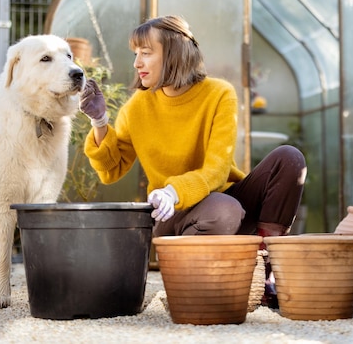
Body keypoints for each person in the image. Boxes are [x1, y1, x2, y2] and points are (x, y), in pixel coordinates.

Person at [79, 15, 307, 307]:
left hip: (218, 198)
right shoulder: (138, 106)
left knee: (289, 159)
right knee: (224, 210)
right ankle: (193, 283)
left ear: (174, 53)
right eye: (135, 54)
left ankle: (263, 272)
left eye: (146, 53)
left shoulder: (218, 93)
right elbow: (111, 170)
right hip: (173, 215)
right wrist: (99, 121)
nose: (137, 63)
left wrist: (175, 188)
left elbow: (217, 169)